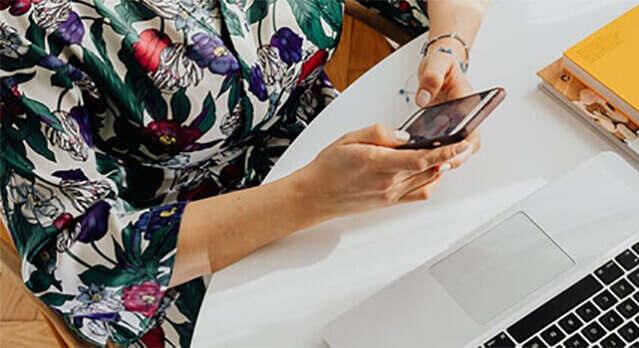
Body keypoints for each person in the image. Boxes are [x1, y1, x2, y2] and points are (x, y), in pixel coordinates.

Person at [0, 0, 487, 345]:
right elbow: (67, 262)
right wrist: (312, 196)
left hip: (350, 170)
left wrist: (449, 45)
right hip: (190, 264)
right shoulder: (20, 25)